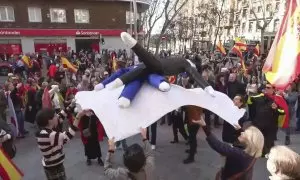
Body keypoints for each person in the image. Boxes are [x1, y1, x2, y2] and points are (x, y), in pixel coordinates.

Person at [193, 116, 264, 180]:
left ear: (249, 142)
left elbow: (218, 145)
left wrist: (204, 126)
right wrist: (239, 129)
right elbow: (248, 139)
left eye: (244, 133)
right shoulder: (254, 150)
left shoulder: (240, 154)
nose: (242, 133)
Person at [35, 108, 88, 180]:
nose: (57, 116)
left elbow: (60, 116)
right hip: (54, 167)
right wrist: (78, 116)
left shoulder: (43, 131)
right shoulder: (51, 135)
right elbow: (69, 135)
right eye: (55, 116)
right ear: (49, 120)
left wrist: (71, 105)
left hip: (49, 165)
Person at [247, 83, 285, 157]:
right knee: (259, 139)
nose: (266, 89)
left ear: (273, 89)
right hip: (259, 123)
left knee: (269, 141)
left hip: (271, 125)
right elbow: (249, 103)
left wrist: (277, 108)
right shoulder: (257, 97)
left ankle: (268, 153)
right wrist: (250, 94)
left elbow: (283, 112)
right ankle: (261, 152)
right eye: (265, 88)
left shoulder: (278, 98)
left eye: (268, 87)